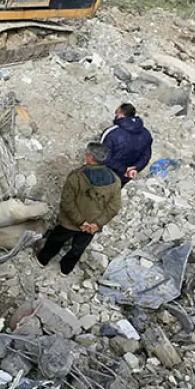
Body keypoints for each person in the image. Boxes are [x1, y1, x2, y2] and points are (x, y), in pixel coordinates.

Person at [34, 142, 122, 275]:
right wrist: (96, 224)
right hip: (92, 225)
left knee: (55, 241)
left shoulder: (76, 177)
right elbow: (114, 207)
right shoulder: (115, 181)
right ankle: (65, 269)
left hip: (70, 222)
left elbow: (67, 202)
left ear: (90, 158)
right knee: (78, 249)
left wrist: (80, 222)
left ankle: (42, 260)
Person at [100, 103, 153, 186]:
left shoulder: (111, 132)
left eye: (116, 112)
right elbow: (146, 157)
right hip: (126, 177)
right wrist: (135, 168)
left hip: (107, 175)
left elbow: (102, 156)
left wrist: (123, 169)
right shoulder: (146, 133)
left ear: (121, 114)